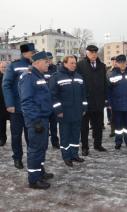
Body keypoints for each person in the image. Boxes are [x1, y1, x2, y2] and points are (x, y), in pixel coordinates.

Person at [18, 51, 54, 189]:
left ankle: (40, 172)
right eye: (46, 62)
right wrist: (35, 120)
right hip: (36, 120)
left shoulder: (38, 76)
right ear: (37, 62)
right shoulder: (28, 77)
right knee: (35, 149)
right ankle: (34, 180)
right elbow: (26, 102)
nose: (48, 63)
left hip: (42, 118)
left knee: (42, 147)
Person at [2, 43, 35, 169]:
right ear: (24, 53)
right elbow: (6, 85)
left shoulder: (35, 65)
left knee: (31, 136)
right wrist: (10, 104)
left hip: (30, 109)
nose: (33, 54)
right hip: (16, 108)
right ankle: (17, 158)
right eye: (32, 52)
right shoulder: (14, 66)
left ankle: (31, 158)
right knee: (16, 135)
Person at [50, 56, 87, 167]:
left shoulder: (79, 77)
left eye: (75, 63)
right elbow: (53, 96)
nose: (74, 65)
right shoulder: (56, 77)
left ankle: (74, 154)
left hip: (77, 112)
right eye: (71, 63)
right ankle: (66, 156)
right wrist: (58, 110)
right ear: (65, 64)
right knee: (65, 135)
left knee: (75, 134)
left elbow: (84, 95)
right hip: (64, 113)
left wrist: (84, 108)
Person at [77, 45, 107, 156]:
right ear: (87, 53)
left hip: (98, 102)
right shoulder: (80, 65)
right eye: (91, 52)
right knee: (84, 127)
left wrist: (105, 99)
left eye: (95, 52)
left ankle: (98, 144)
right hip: (85, 102)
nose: (94, 54)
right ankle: (85, 147)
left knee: (98, 126)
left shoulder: (102, 66)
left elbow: (105, 83)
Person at [44, 52, 60, 149]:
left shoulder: (56, 69)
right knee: (45, 125)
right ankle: (44, 142)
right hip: (45, 101)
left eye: (50, 59)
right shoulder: (42, 70)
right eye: (47, 59)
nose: (49, 61)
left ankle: (55, 142)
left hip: (53, 101)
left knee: (54, 125)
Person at [106, 56, 116, 138]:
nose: (114, 62)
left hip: (119, 95)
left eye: (115, 61)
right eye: (113, 61)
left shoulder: (121, 71)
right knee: (111, 115)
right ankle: (113, 130)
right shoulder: (108, 71)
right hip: (111, 95)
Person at [0, 62, 9, 146]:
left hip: (10, 103)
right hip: (1, 104)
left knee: (14, 124)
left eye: (5, 67)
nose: (4, 68)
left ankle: (16, 139)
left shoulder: (10, 76)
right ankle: (2, 138)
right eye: (2, 67)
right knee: (1, 123)